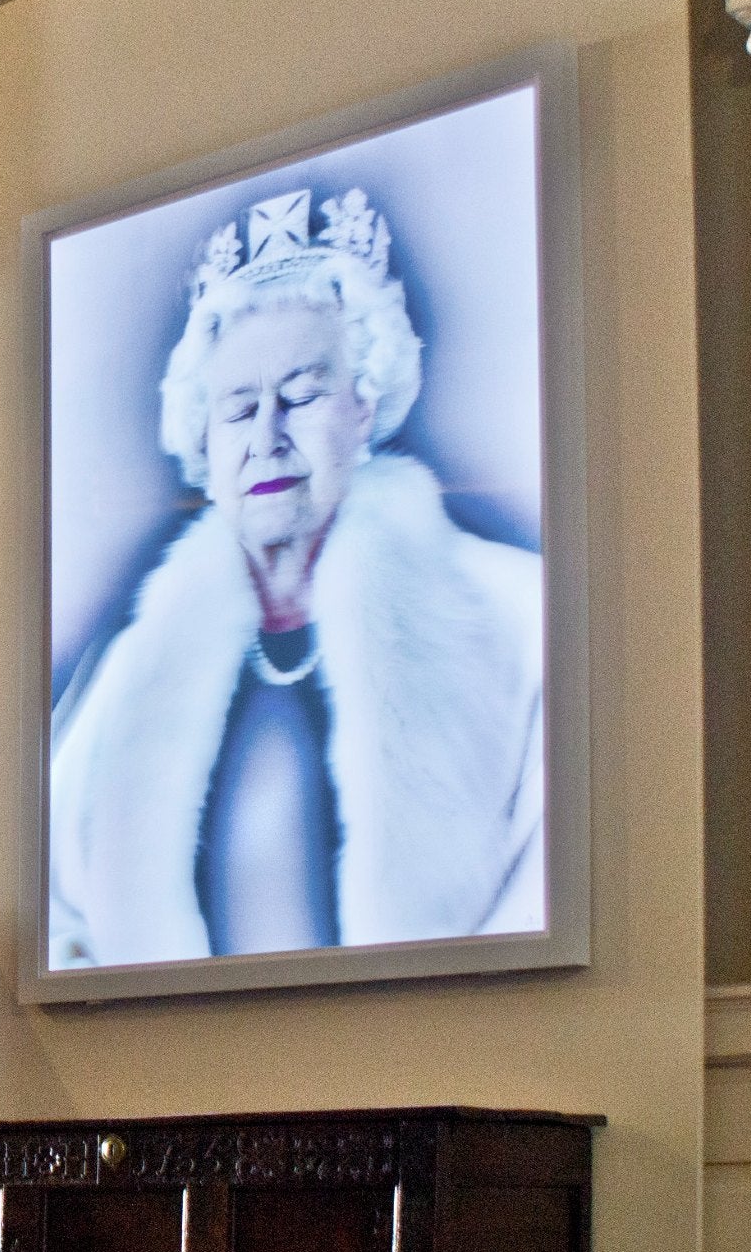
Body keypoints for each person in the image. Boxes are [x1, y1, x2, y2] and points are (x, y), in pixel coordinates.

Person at [49, 188, 544, 969]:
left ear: (364, 404)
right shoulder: (123, 679)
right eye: (239, 410)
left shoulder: (518, 616)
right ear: (202, 443)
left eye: (303, 395)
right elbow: (61, 920)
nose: (268, 439)